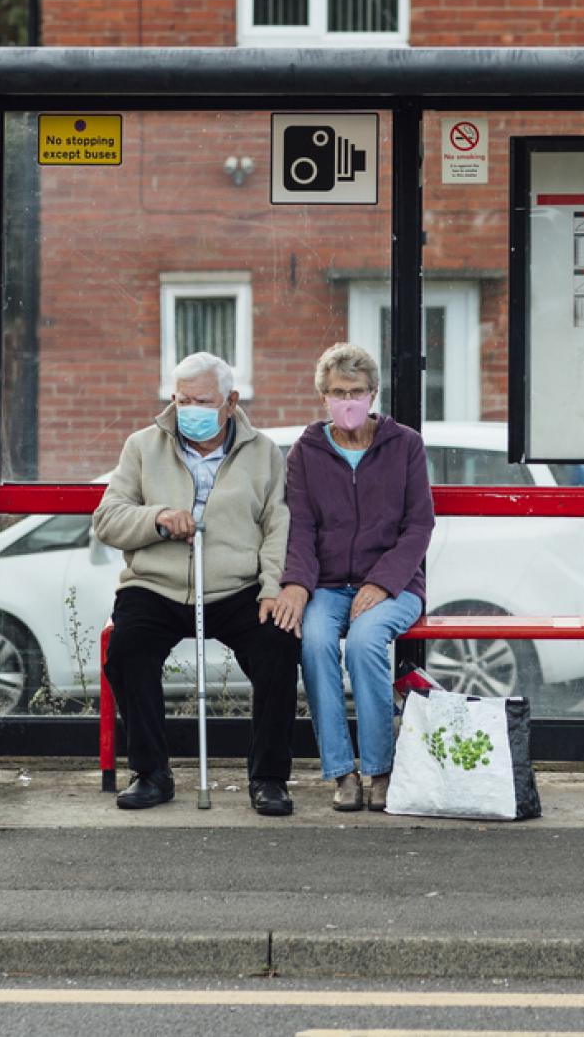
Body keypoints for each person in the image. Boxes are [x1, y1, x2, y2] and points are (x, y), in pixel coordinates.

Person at [91, 351, 298, 816]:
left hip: (236, 586)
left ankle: (268, 778)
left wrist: (271, 586)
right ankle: (151, 772)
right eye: (181, 400)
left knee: (278, 645)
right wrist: (159, 519)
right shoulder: (143, 446)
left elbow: (277, 526)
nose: (190, 411)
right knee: (127, 650)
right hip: (156, 584)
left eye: (202, 401)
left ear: (230, 402)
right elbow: (107, 518)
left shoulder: (264, 452)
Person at [270, 342, 435, 812]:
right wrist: (297, 584)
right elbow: (299, 525)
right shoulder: (305, 452)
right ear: (323, 395)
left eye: (357, 391)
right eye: (338, 391)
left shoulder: (405, 445)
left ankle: (380, 769)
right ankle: (342, 771)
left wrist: (382, 582)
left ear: (373, 393)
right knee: (314, 643)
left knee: (365, 644)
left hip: (395, 585)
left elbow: (419, 524)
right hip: (326, 584)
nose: (348, 400)